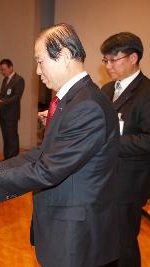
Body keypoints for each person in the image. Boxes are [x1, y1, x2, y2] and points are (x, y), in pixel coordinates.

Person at [0, 23, 120, 267]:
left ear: (65, 56)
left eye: (40, 61)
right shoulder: (73, 98)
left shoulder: (86, 105)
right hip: (64, 227)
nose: (37, 71)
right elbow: (44, 152)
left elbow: (49, 169)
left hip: (77, 237)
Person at [100, 32, 150, 267]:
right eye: (105, 60)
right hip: (104, 179)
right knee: (106, 241)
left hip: (128, 182)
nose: (108, 66)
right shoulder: (107, 89)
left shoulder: (147, 93)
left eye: (113, 60)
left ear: (133, 58)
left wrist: (110, 144)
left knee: (123, 244)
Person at [0, 59, 24, 159]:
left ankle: (13, 160)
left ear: (11, 67)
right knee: (6, 138)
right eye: (1, 70)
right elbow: (2, 94)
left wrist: (3, 102)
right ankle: (7, 159)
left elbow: (17, 96)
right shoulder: (5, 80)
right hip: (3, 114)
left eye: (4, 69)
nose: (2, 72)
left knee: (12, 138)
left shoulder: (19, 80)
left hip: (11, 114)